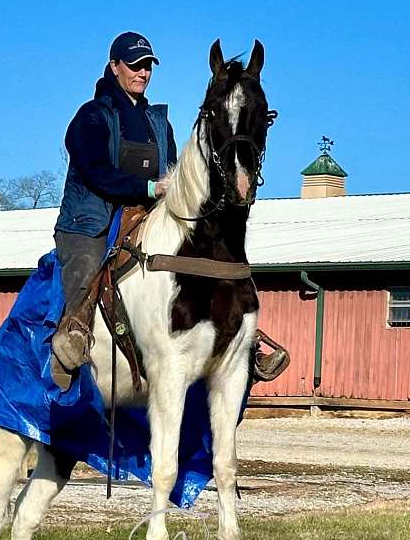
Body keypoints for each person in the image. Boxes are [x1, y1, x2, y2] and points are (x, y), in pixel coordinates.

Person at [52, 31, 288, 389]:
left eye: (147, 66)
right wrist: (148, 187)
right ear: (115, 67)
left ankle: (238, 338)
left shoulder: (159, 124)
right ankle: (76, 330)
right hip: (93, 219)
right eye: (134, 66)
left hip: (149, 213)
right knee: (87, 266)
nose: (142, 74)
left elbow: (174, 171)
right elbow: (96, 170)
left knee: (207, 255)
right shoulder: (92, 116)